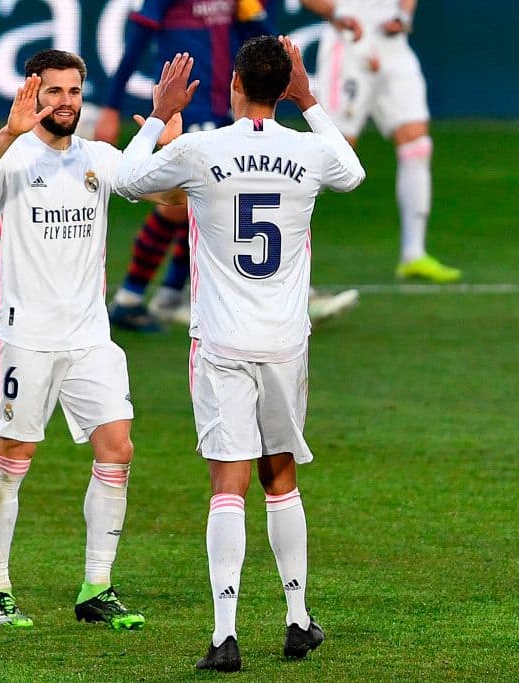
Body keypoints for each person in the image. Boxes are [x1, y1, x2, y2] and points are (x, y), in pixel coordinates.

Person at [114, 38, 365, 671]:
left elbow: (125, 181)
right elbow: (353, 171)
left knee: (228, 484)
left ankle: (225, 635)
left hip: (221, 341)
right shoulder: (309, 153)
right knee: (281, 477)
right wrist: (309, 101)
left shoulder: (201, 151)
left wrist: (159, 114)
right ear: (283, 89)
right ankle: (298, 619)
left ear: (232, 85)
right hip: (284, 341)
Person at [0, 49, 177, 631]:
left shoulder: (98, 158)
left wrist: (170, 144)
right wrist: (8, 131)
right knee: (13, 458)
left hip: (89, 337)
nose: (65, 102)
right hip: (23, 337)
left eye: (74, 91)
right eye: (53, 91)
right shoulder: (11, 156)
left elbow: (172, 201)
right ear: (32, 93)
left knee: (118, 449)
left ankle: (97, 586)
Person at [97, 0, 357, 331]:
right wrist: (111, 107)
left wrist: (253, 12)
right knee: (182, 204)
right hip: (189, 106)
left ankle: (167, 294)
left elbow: (264, 50)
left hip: (224, 107)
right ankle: (134, 297)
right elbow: (135, 43)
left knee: (209, 198)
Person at [303, 0, 461, 282]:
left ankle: (413, 255)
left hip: (392, 46)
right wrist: (336, 13)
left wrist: (403, 15)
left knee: (417, 143)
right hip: (350, 43)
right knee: (334, 154)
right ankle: (267, 229)